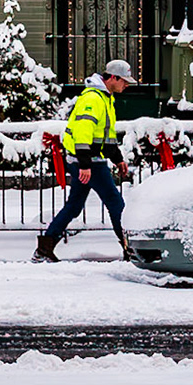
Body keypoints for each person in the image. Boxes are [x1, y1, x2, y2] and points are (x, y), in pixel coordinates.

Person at [33, 57, 133, 262]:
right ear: (113, 78)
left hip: (83, 160)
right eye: (124, 81)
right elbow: (82, 132)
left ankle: (44, 248)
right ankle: (131, 249)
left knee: (75, 205)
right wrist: (85, 164)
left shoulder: (104, 98)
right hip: (89, 162)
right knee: (115, 203)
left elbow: (106, 136)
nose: (127, 85)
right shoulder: (94, 99)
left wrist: (118, 159)